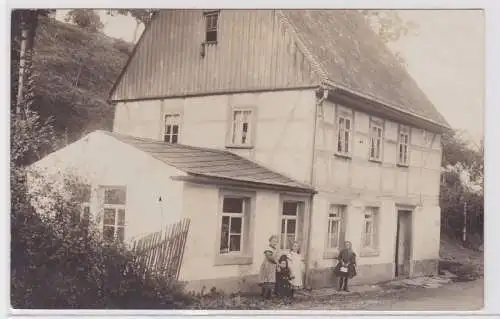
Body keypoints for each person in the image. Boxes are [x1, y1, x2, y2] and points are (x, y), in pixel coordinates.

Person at [259, 235, 279, 299]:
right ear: (270, 241)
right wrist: (276, 262)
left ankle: (269, 295)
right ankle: (265, 295)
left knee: (271, 280)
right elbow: (269, 257)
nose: (274, 243)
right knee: (267, 280)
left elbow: (275, 257)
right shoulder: (268, 248)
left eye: (276, 242)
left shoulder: (274, 249)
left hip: (272, 266)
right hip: (267, 266)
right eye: (273, 241)